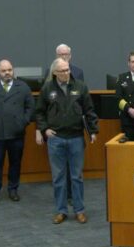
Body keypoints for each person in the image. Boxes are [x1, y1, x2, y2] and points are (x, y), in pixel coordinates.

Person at [35, 58, 98, 224]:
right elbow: (39, 112)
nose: (66, 73)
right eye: (62, 71)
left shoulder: (80, 87)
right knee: (58, 177)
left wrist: (93, 131)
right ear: (55, 72)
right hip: (56, 139)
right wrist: (44, 129)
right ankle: (61, 210)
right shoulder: (47, 89)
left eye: (67, 69)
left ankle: (79, 210)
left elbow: (89, 110)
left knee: (76, 176)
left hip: (76, 137)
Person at [0, 59, 34, 205]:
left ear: (13, 70)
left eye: (9, 70)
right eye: (4, 71)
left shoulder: (22, 87)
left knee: (15, 162)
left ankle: (13, 189)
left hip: (17, 133)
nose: (7, 73)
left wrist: (24, 122)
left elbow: (30, 107)